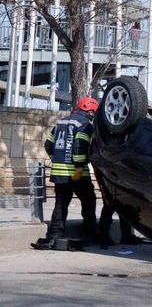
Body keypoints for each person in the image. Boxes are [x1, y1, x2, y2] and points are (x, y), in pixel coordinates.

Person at [43, 97, 99, 245]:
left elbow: (48, 144)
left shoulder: (61, 121)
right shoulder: (85, 124)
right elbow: (79, 146)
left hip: (59, 172)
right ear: (91, 111)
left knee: (61, 203)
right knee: (89, 201)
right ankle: (90, 233)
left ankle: (55, 234)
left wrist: (58, 159)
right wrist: (79, 167)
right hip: (76, 172)